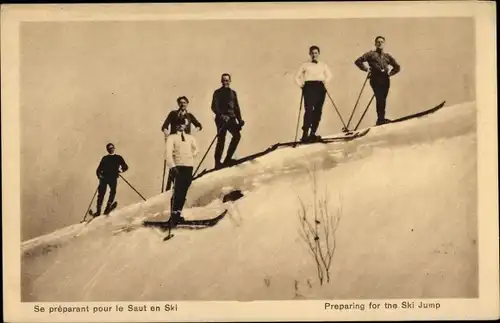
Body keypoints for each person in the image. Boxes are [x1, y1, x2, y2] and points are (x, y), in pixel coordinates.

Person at [355, 36, 401, 126]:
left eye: (382, 42)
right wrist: (366, 69)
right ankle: (380, 119)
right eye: (378, 42)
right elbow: (358, 61)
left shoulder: (387, 56)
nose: (380, 43)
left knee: (383, 99)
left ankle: (381, 118)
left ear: (384, 44)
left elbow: (397, 67)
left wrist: (390, 74)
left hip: (385, 79)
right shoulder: (370, 54)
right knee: (379, 98)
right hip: (375, 78)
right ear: (375, 44)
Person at [161, 96, 202, 191]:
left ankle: (183, 188)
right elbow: (164, 126)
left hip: (186, 143)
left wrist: (194, 133)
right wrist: (166, 134)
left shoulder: (189, 116)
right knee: (174, 165)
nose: (182, 104)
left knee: (185, 165)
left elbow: (199, 125)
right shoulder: (173, 114)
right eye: (180, 102)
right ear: (178, 104)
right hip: (174, 142)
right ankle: (169, 190)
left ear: (187, 104)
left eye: (184, 102)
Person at [295, 45, 332, 142]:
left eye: (316, 53)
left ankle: (313, 133)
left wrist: (324, 82)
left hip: (320, 87)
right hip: (309, 88)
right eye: (312, 53)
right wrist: (301, 85)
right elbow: (296, 77)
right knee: (308, 111)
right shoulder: (305, 65)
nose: (314, 55)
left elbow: (329, 75)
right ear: (309, 54)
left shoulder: (323, 65)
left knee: (318, 111)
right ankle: (305, 135)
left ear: (318, 54)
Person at [165, 121, 199, 223]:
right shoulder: (172, 137)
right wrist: (172, 166)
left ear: (186, 125)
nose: (180, 125)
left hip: (189, 166)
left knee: (184, 190)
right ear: (175, 125)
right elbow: (168, 153)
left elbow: (197, 149)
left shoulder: (190, 138)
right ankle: (173, 215)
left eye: (183, 123)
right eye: (178, 123)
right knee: (178, 190)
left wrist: (191, 155)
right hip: (178, 166)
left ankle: (178, 214)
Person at [211, 73, 245, 168]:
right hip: (221, 119)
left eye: (227, 80)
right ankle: (217, 163)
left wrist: (240, 119)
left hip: (231, 118)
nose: (225, 82)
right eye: (223, 80)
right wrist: (222, 115)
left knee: (237, 136)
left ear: (230, 81)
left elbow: (236, 107)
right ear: (221, 81)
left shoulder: (233, 93)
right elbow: (214, 106)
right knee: (221, 139)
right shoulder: (217, 92)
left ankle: (227, 159)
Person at [94, 143, 129, 216]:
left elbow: (125, 167)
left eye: (112, 148)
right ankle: (98, 211)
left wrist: (120, 171)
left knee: (113, 192)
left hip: (113, 177)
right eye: (109, 149)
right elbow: (98, 170)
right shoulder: (105, 158)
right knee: (101, 194)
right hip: (104, 178)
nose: (111, 149)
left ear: (114, 148)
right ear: (107, 150)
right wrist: (99, 175)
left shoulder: (118, 157)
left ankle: (108, 207)